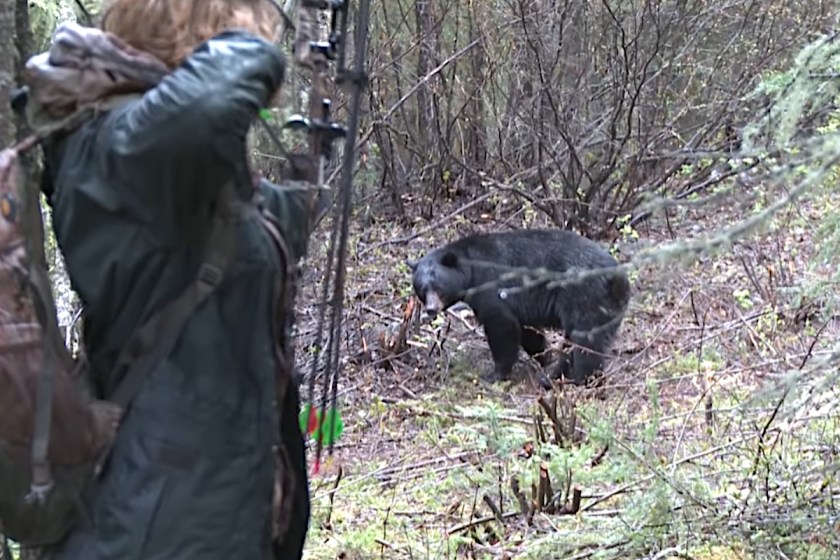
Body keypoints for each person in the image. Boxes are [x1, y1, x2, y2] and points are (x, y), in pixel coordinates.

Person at [20, 0, 321, 558]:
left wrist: (306, 187)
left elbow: (230, 250)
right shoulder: (119, 143)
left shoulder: (166, 161)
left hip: (204, 507)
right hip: (156, 521)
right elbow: (215, 96)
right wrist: (247, 41)